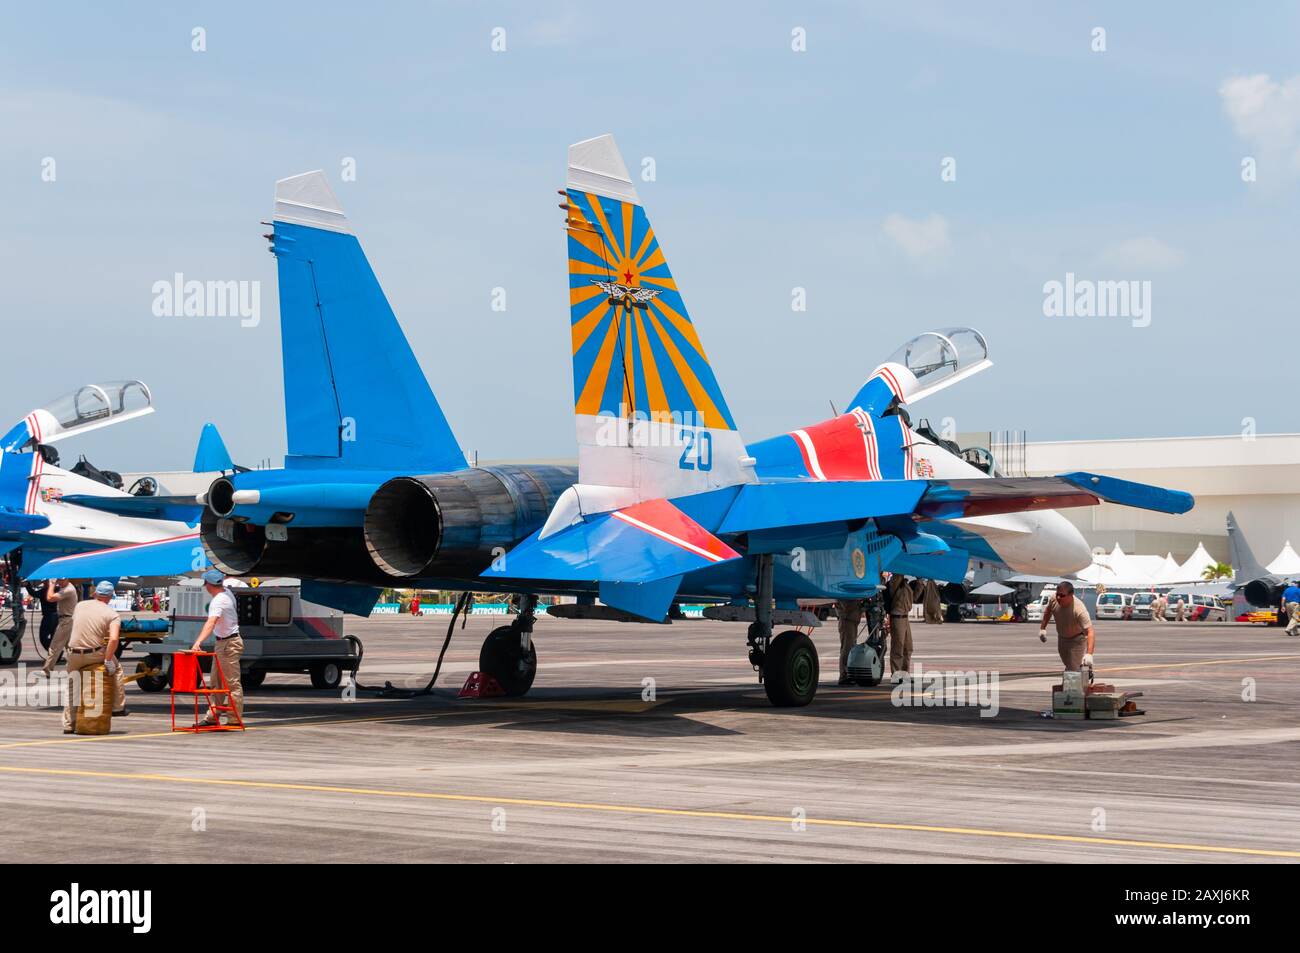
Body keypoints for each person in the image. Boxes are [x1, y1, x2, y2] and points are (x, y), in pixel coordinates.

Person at [62, 581, 126, 733]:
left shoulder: (80, 605)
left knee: (72, 686)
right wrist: (108, 659)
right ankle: (118, 707)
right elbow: (114, 639)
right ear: (110, 597)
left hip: (72, 653)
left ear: (95, 593)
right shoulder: (112, 614)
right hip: (94, 653)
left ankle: (68, 724)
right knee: (117, 670)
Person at [187, 568, 244, 726]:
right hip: (224, 643)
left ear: (208, 584)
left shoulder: (219, 600)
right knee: (216, 681)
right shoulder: (227, 592)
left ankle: (234, 718)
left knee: (231, 683)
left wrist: (198, 642)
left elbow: (211, 622)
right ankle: (213, 715)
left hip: (228, 643)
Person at [1038, 580, 1095, 673]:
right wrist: (1042, 628)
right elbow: (1048, 611)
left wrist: (1089, 654)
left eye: (1062, 595)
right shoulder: (1053, 599)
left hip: (1077, 640)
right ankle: (1076, 675)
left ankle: (1072, 685)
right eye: (1057, 594)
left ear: (1071, 594)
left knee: (1072, 668)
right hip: (1062, 639)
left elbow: (1090, 631)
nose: (1059, 597)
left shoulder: (1079, 609)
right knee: (1068, 664)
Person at [885, 572, 924, 679]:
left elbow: (915, 597)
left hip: (905, 618)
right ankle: (896, 674)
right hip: (897, 618)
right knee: (898, 647)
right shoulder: (894, 583)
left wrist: (920, 581)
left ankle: (905, 673)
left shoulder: (906, 586)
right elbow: (897, 577)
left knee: (908, 648)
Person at [40, 578, 78, 676]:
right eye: (58, 580)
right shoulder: (66, 587)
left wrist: (51, 585)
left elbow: (50, 598)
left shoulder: (68, 590)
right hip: (67, 619)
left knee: (55, 645)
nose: (59, 582)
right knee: (71, 648)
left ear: (67, 579)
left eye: (61, 580)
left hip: (66, 620)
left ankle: (47, 670)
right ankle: (77, 668)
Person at [835, 599, 863, 686]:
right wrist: (859, 605)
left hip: (852, 619)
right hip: (847, 620)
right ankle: (844, 675)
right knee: (847, 648)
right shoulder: (846, 595)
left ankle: (848, 673)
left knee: (850, 648)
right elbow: (846, 607)